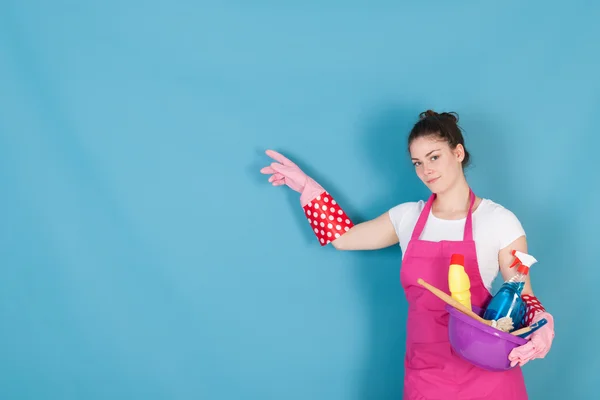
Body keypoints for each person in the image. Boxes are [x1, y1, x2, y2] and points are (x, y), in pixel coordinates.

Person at [260, 110, 554, 399]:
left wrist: (542, 324)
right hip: (425, 373)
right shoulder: (407, 218)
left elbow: (523, 294)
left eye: (434, 157)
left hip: (486, 375)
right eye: (417, 162)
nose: (426, 170)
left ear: (459, 152)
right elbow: (343, 238)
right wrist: (308, 189)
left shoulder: (499, 221)